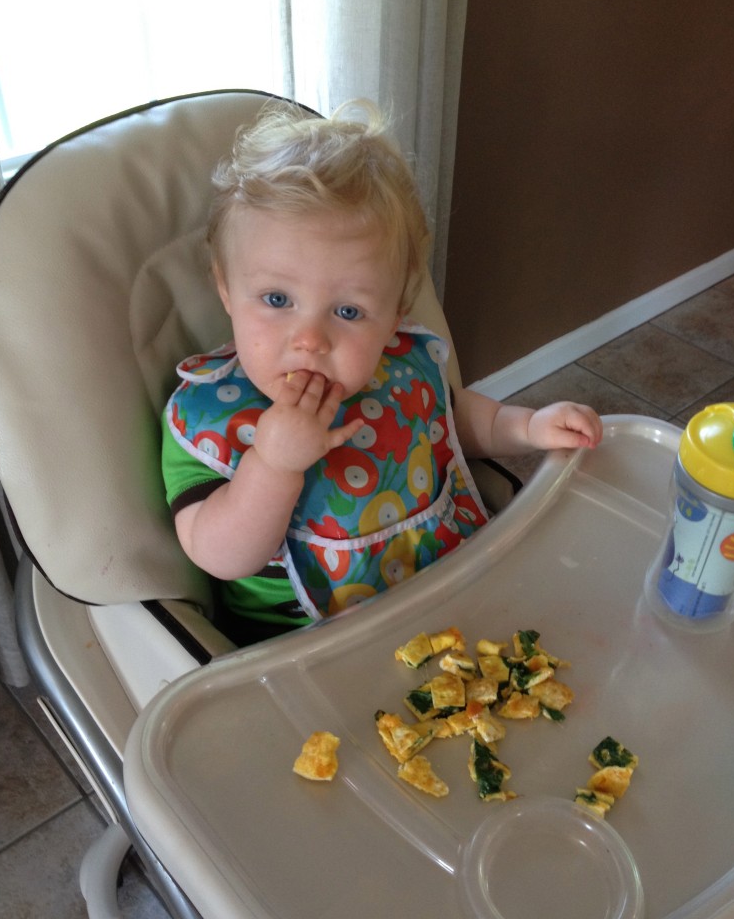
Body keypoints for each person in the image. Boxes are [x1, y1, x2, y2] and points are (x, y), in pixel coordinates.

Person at [162, 99, 602, 643]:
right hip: (312, 650)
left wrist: (528, 427)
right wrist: (272, 464)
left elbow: (457, 420)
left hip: (450, 594)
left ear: (395, 313)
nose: (311, 339)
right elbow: (219, 555)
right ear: (227, 290)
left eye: (348, 312)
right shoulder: (207, 418)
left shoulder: (401, 364)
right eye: (276, 298)